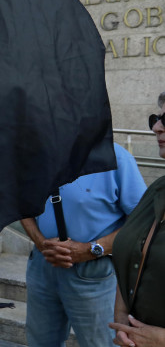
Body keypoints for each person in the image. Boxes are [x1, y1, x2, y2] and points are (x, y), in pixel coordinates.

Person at [20, 143, 146, 347]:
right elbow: (21, 205)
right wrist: (41, 243)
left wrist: (92, 249)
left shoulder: (116, 158)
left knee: (100, 343)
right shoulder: (37, 155)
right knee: (40, 342)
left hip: (93, 274)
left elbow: (142, 222)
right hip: (43, 265)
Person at [109, 93, 165, 347]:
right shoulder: (156, 190)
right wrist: (122, 317)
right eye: (156, 118)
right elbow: (132, 256)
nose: (156, 127)